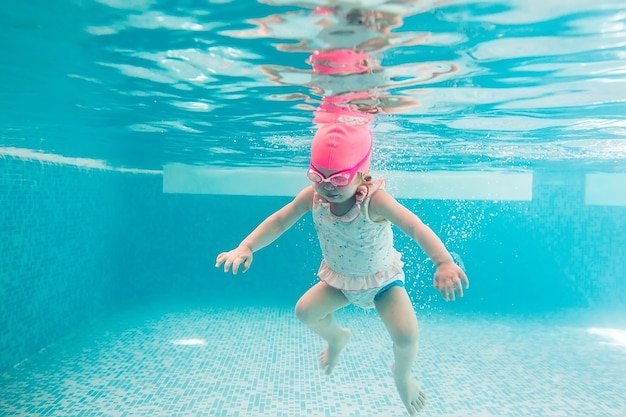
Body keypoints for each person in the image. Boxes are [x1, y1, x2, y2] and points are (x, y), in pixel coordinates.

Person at [215, 122, 469, 416]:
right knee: (304, 311)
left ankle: (402, 375)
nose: (326, 186)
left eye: (338, 179)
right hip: (339, 282)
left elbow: (415, 227)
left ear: (362, 173)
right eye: (317, 176)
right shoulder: (312, 197)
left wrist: (443, 262)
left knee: (406, 336)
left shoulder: (375, 201)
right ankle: (336, 337)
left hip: (382, 283)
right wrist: (246, 246)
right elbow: (279, 221)